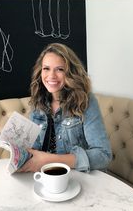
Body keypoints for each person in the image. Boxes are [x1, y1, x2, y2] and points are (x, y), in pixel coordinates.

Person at [19, 43, 112, 173]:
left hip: (81, 178)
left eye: (59, 69)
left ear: (70, 73)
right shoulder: (37, 102)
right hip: (48, 176)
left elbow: (103, 155)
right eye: (46, 68)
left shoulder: (85, 101)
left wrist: (49, 160)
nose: (51, 76)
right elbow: (33, 149)